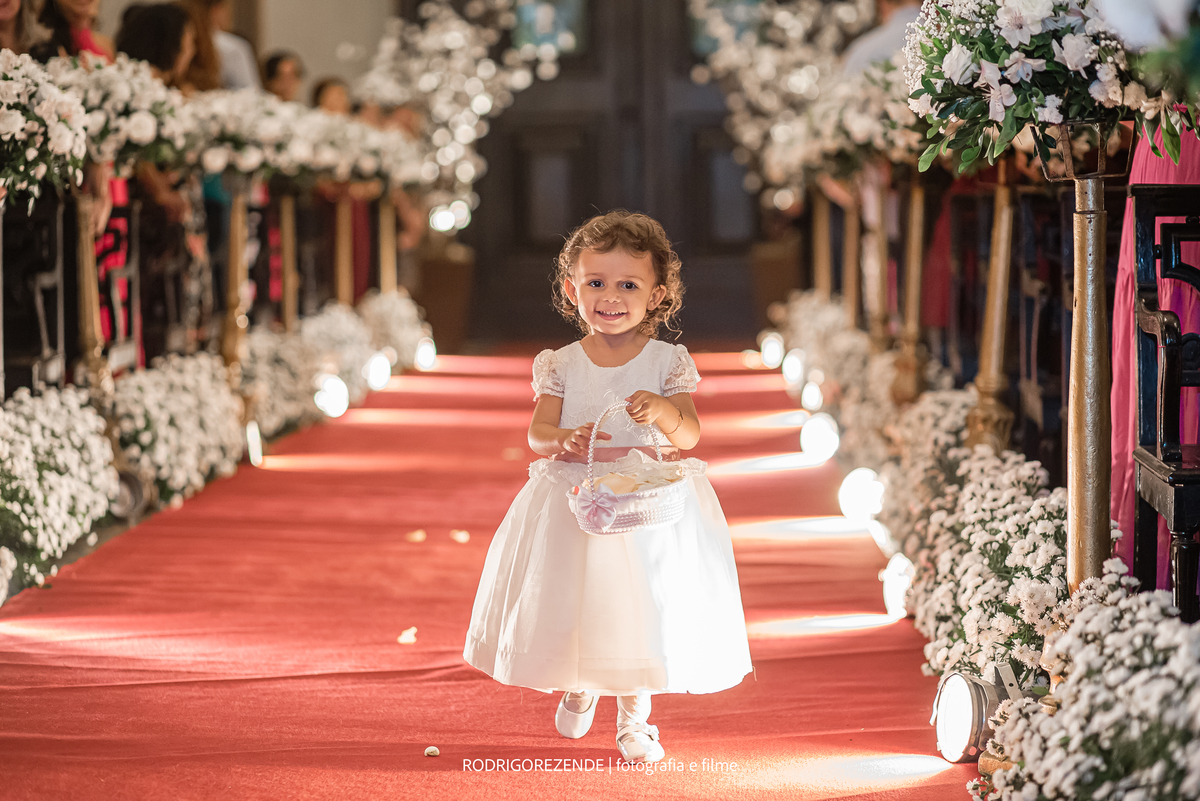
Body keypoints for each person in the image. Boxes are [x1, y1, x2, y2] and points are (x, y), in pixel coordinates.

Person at [462, 211, 754, 765]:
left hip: (644, 502)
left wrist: (664, 411)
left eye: (628, 285)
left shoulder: (667, 361)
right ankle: (580, 682)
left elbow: (688, 435)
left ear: (656, 295)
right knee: (578, 598)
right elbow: (538, 434)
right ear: (573, 290)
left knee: (638, 607)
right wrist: (563, 440)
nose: (610, 297)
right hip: (578, 497)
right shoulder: (562, 363)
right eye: (595, 282)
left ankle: (634, 720)